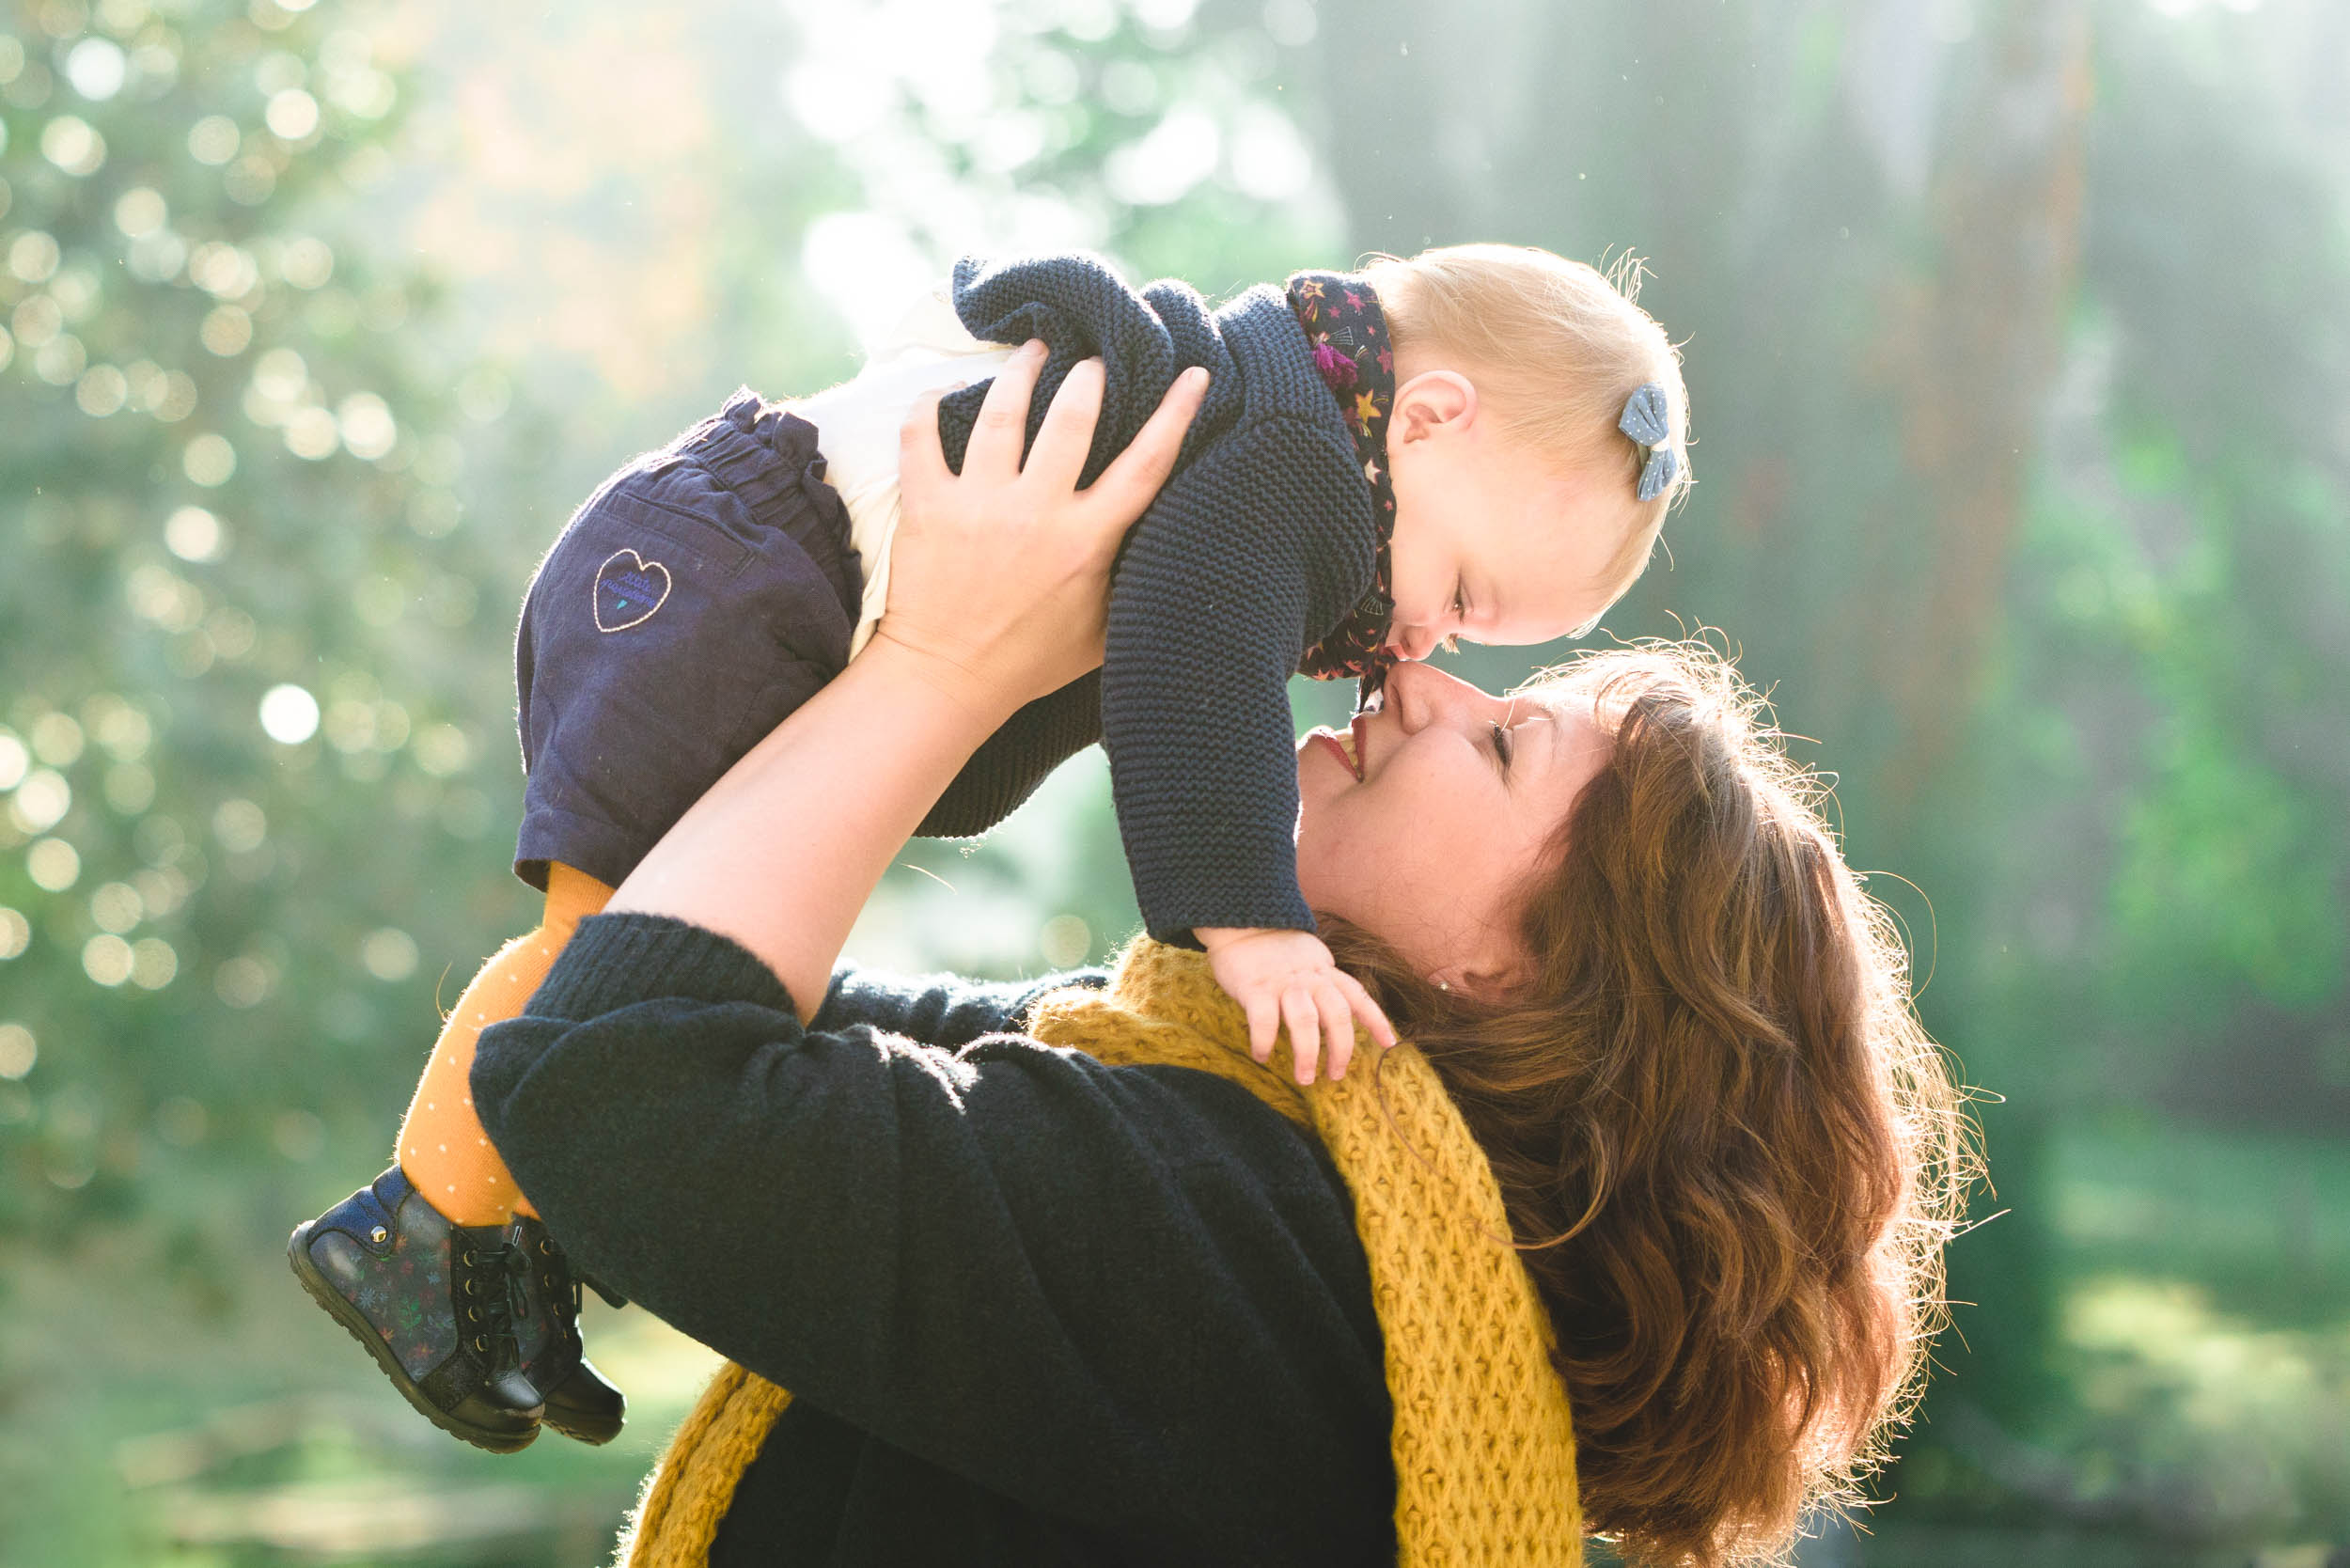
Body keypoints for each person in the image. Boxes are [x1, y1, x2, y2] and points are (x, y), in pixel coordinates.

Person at [465, 354, 1963, 1566]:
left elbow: (617, 1073)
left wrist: (948, 657)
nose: (1428, 686)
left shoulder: (1252, 1251)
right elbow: (692, 983)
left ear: (1529, 980)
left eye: (1507, 747)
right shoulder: (1239, 1156)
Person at [290, 243, 1694, 1450]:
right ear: (1431, 418)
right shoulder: (1294, 470)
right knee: (592, 954)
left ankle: (485, 1232)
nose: (1424, 653)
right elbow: (1194, 673)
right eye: (1457, 593)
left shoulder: (1275, 441)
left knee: (603, 951)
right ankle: (427, 1235)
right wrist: (1250, 921)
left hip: (727, 561)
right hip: (739, 566)